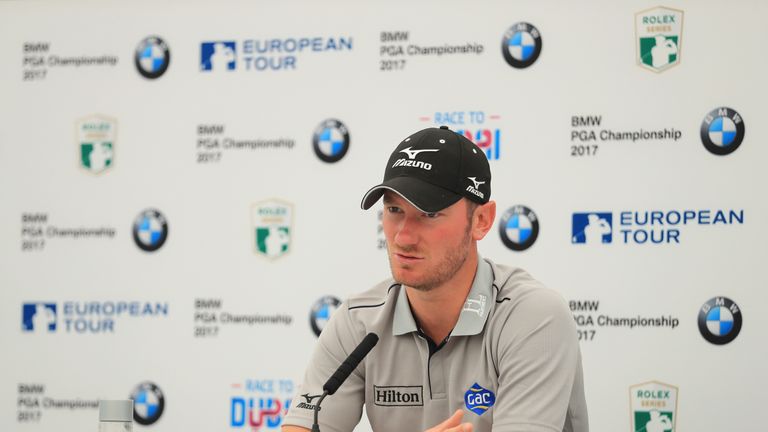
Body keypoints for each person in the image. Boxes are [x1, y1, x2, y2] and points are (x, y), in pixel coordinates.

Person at [282, 126, 588, 432]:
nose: (403, 236)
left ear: (481, 220)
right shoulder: (358, 321)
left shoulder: (533, 316)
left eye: (429, 214)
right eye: (393, 209)